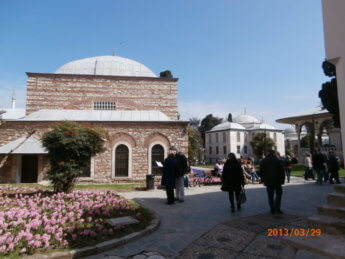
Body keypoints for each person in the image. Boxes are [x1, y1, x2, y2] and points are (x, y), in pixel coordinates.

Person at [260, 150, 285, 214]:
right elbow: (282, 171)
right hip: (277, 181)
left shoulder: (264, 161)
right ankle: (277, 207)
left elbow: (261, 172)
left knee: (270, 196)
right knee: (279, 194)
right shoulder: (277, 160)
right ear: (274, 154)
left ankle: (272, 209)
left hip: (268, 181)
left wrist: (263, 180)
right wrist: (283, 180)